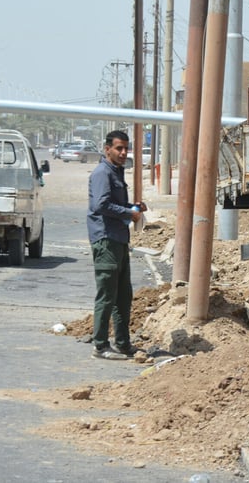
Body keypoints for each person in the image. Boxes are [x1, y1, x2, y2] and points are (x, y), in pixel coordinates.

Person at [86, 130, 147, 360]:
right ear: (107, 149)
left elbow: (114, 203)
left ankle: (123, 343)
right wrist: (127, 213)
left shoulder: (116, 172)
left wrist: (134, 207)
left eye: (125, 148)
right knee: (107, 295)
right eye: (119, 148)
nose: (123, 153)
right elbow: (101, 205)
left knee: (123, 295)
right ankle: (100, 346)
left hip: (119, 239)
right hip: (106, 241)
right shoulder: (102, 172)